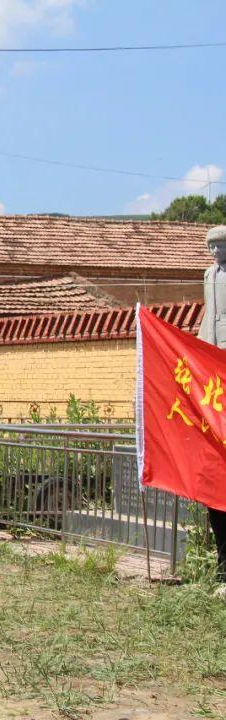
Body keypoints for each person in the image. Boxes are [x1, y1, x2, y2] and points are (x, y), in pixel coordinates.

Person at [198, 225, 226, 595]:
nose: (215, 254)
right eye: (211, 248)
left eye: (219, 247)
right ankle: (222, 568)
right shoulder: (209, 276)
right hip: (213, 374)